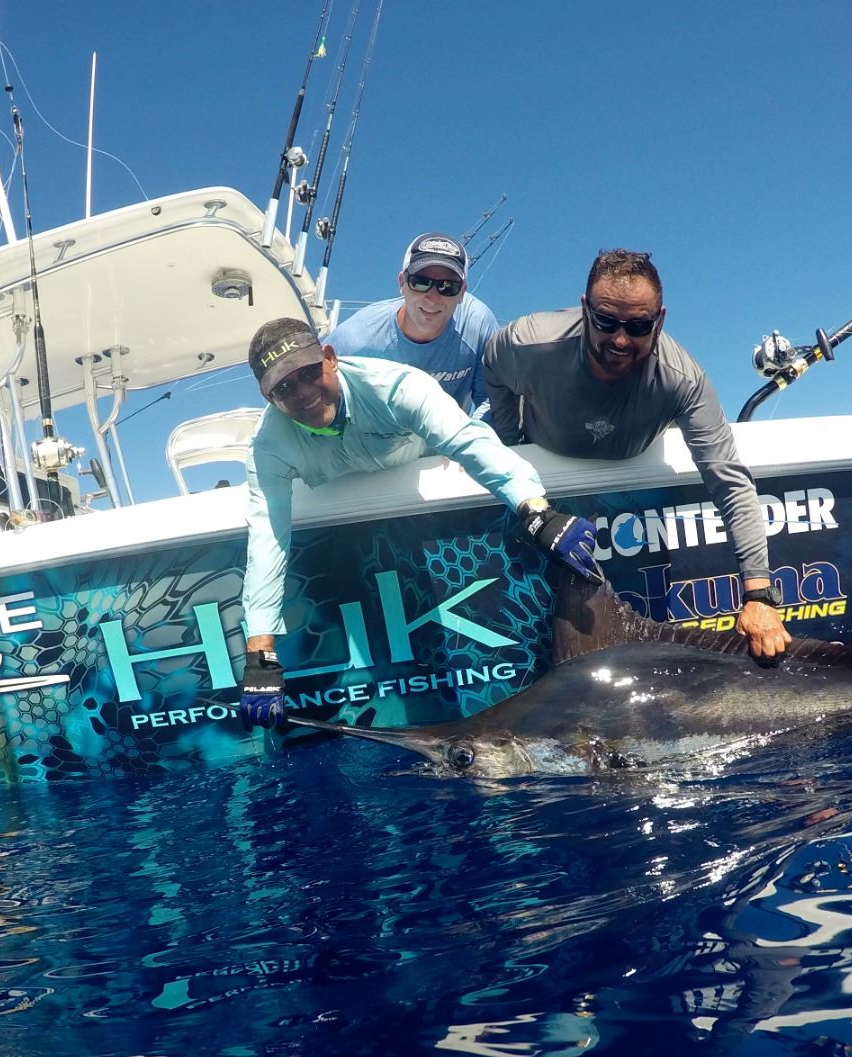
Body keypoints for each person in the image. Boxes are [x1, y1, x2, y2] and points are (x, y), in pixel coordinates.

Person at [237, 317, 601, 727]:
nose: (302, 393)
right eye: (284, 388)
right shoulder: (268, 447)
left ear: (330, 358)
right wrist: (260, 655)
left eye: (308, 373)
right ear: (269, 399)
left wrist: (536, 512)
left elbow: (468, 441)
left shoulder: (395, 387)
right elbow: (268, 540)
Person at [483, 249, 792, 662]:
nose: (620, 340)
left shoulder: (683, 380)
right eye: (605, 321)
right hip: (547, 496)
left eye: (638, 326)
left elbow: (730, 483)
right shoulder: (528, 343)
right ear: (585, 309)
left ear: (659, 321)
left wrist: (759, 595)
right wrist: (513, 446)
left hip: (634, 499)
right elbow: (492, 366)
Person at [326, 232, 498, 416]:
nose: (433, 298)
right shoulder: (356, 337)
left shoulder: (477, 326)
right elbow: (313, 378)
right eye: (421, 282)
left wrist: (470, 433)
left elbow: (492, 400)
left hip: (451, 432)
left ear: (462, 292)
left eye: (447, 286)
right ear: (402, 283)